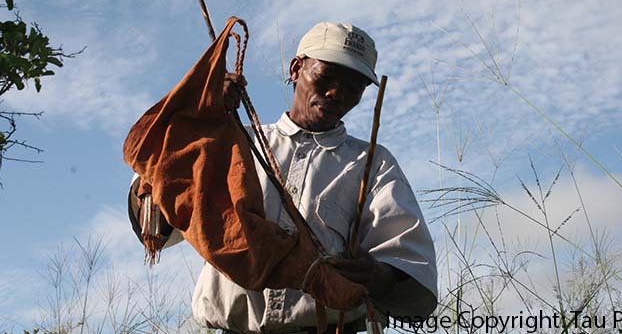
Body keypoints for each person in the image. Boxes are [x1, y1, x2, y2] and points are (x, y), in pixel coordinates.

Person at [128, 22, 437, 334]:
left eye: (353, 87)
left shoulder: (372, 163)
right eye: (326, 76)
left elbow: (407, 263)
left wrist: (377, 276)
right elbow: (158, 220)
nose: (336, 94)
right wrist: (200, 124)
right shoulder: (234, 143)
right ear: (295, 69)